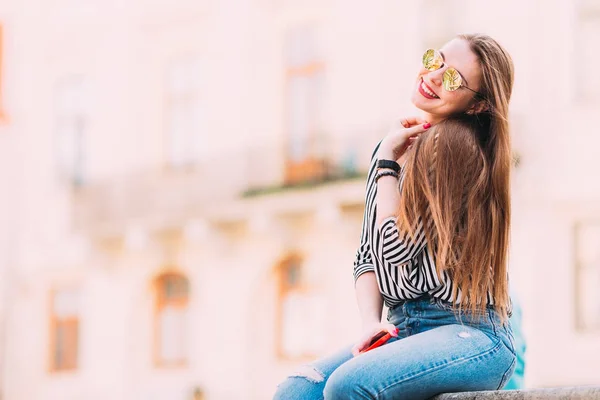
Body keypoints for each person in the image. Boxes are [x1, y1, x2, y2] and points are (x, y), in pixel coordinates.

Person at [273, 33, 517, 400]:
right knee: (296, 391)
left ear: (477, 106)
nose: (434, 76)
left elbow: (395, 249)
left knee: (349, 385)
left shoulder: (451, 146)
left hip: (473, 335)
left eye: (452, 79)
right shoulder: (396, 144)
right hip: (407, 326)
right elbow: (367, 255)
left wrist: (387, 163)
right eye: (436, 61)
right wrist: (372, 324)